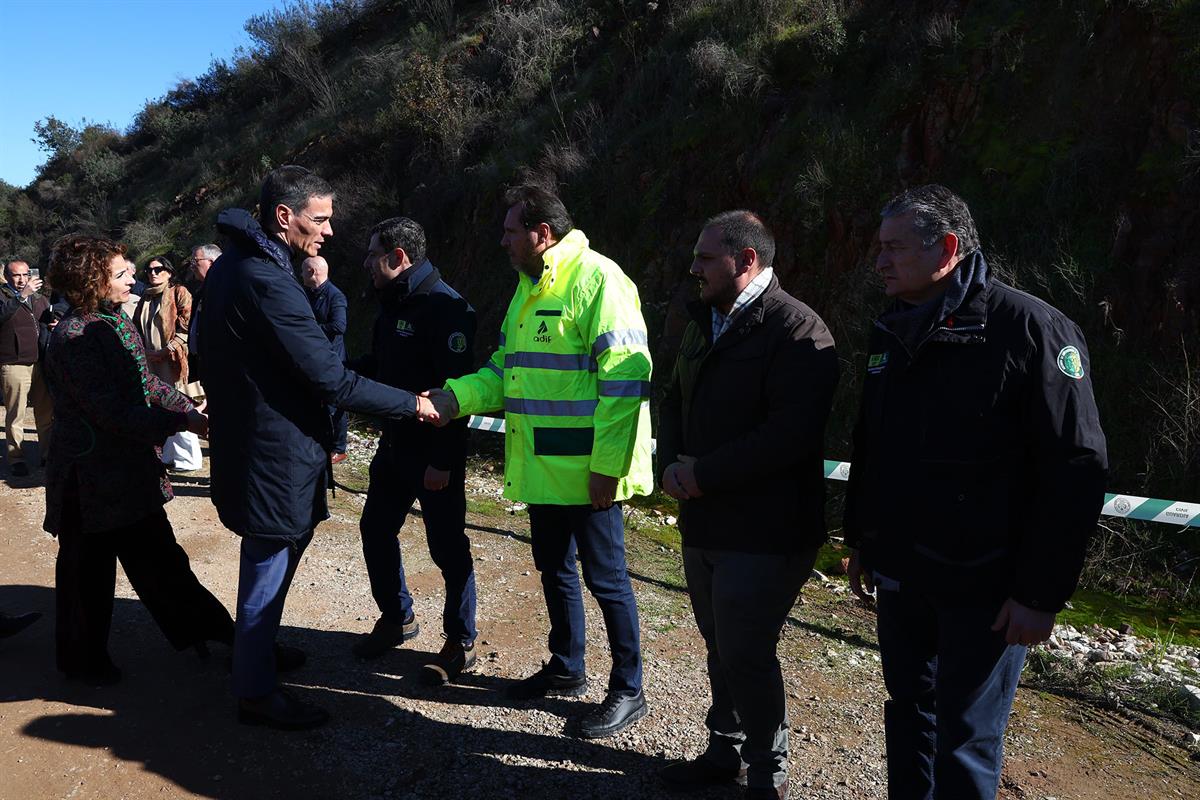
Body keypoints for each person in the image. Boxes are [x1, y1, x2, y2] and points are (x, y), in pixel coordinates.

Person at [843, 185, 1108, 800]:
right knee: (908, 715)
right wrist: (864, 539)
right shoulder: (892, 329)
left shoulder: (1030, 328)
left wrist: (1040, 593)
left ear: (949, 248)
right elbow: (874, 446)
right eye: (877, 248)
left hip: (984, 587)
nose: (879, 261)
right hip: (902, 575)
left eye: (893, 248)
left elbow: (1077, 466)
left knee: (965, 738)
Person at [201, 165, 440, 730]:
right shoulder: (265, 278)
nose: (330, 232)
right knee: (267, 566)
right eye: (322, 219)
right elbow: (331, 379)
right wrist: (415, 404)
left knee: (269, 561)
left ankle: (256, 654)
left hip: (258, 443)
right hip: (274, 453)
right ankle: (256, 689)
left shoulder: (235, 267)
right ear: (285, 217)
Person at [428, 183, 653, 739]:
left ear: (541, 234)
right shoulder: (528, 289)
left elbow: (625, 380)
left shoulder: (598, 279)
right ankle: (567, 668)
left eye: (510, 232)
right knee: (554, 571)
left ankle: (629, 689)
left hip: (591, 473)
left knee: (607, 579)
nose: (502, 241)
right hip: (542, 469)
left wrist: (609, 466)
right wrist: (455, 398)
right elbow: (508, 370)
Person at [656, 211, 839, 800]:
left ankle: (766, 772)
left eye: (706, 258)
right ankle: (725, 751)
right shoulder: (703, 321)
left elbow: (790, 436)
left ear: (747, 260)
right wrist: (673, 462)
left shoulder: (799, 331)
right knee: (717, 643)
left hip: (768, 529)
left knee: (745, 649)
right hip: (705, 518)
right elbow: (675, 396)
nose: (695, 269)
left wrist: (703, 473)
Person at [42, 234, 233, 686]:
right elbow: (110, 412)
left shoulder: (115, 322)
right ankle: (82, 661)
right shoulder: (73, 337)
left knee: (165, 566)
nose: (134, 277)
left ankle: (227, 640)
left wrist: (185, 410)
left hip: (127, 473)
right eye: (121, 273)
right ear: (92, 280)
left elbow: (145, 384)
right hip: (88, 481)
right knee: (86, 576)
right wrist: (178, 424)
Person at [350, 216, 478, 684]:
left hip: (433, 456)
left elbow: (458, 393)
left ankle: (460, 640)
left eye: (371, 254)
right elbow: (382, 367)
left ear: (397, 258)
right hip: (394, 446)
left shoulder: (447, 309)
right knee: (376, 529)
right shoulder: (392, 302)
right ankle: (397, 618)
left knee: (447, 548)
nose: (365, 263)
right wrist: (334, 371)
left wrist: (442, 461)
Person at [130, 256, 203, 471]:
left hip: (172, 360)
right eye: (149, 270)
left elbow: (186, 327)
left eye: (158, 269)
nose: (153, 273)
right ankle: (169, 455)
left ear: (169, 272)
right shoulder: (145, 297)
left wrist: (166, 350)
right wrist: (145, 352)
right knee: (160, 405)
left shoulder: (179, 292)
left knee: (179, 402)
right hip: (150, 360)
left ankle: (188, 458)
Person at [1, 260, 54, 477]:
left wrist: (54, 322)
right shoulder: (4, 297)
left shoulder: (39, 297)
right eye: (16, 275)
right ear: (6, 276)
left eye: (25, 274)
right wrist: (21, 296)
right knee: (16, 414)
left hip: (41, 361)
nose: (22, 279)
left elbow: (45, 320)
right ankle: (16, 458)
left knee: (46, 412)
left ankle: (47, 455)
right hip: (14, 362)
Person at [301, 255, 349, 463]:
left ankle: (339, 447)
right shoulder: (306, 293)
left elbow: (339, 326)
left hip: (332, 357)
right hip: (312, 355)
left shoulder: (335, 296)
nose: (300, 274)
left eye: (303, 271)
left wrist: (309, 330)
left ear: (312, 272)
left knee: (335, 403)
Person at [185, 243, 221, 385]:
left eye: (196, 261)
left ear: (211, 262)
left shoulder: (225, 288)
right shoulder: (201, 292)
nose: (192, 266)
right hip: (202, 366)